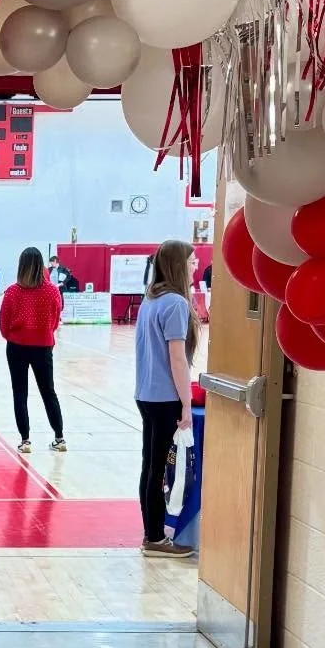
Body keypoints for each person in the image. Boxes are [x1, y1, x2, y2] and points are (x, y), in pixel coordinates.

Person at [134, 238, 199, 557]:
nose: (196, 265)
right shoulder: (175, 303)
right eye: (191, 260)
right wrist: (186, 404)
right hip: (163, 398)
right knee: (157, 467)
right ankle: (156, 538)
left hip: (146, 394)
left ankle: (152, 533)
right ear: (177, 265)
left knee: (150, 464)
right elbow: (177, 359)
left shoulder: (150, 299)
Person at [0, 247, 66, 454]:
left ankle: (25, 440)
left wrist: (13, 336)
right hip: (43, 346)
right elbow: (55, 319)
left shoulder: (12, 291)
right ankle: (59, 437)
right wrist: (44, 333)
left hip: (17, 345)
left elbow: (3, 323)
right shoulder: (52, 291)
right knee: (48, 391)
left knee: (20, 393)